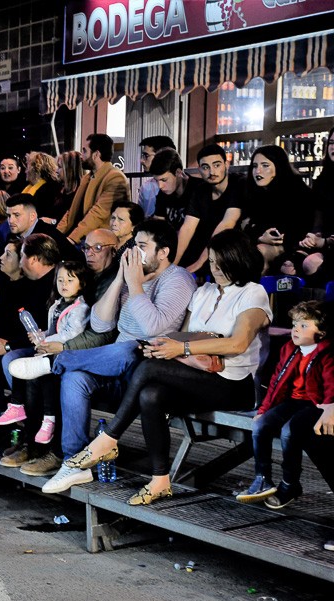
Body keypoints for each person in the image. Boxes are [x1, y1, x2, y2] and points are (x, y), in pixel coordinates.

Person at [66, 229, 270, 505]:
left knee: (148, 371)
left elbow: (238, 343)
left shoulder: (253, 293)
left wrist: (182, 349)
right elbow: (183, 335)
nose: (216, 268)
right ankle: (160, 479)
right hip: (197, 376)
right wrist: (162, 345)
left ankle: (108, 438)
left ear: (239, 259)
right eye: (211, 262)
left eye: (221, 261)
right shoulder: (205, 291)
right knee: (151, 393)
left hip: (235, 384)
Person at [10, 219, 197, 493]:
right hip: (116, 367)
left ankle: (52, 363)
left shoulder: (177, 279)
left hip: (150, 367)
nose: (136, 252)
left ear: (163, 252)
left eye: (143, 246)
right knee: (75, 379)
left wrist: (134, 285)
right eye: (135, 245)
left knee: (131, 346)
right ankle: (75, 464)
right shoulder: (132, 276)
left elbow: (152, 328)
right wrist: (122, 278)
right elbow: (101, 324)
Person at [236, 301, 334, 508]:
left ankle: (290, 483)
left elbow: (331, 385)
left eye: (304, 325)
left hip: (317, 405)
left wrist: (329, 407)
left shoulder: (327, 353)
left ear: (322, 333)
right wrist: (263, 410)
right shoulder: (289, 348)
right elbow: (276, 382)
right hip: (294, 401)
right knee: (260, 425)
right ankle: (262, 478)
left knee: (289, 431)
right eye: (295, 324)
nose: (296, 329)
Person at [0, 261, 90, 468]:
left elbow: (69, 335)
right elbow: (52, 330)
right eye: (60, 280)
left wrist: (47, 342)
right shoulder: (56, 304)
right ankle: (27, 428)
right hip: (48, 351)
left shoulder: (81, 308)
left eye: (70, 280)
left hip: (65, 357)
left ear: (81, 283)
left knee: (39, 376)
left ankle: (46, 437)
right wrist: (41, 336)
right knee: (26, 370)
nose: (64, 284)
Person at [243, 145, 317, 274]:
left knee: (258, 253)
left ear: (278, 166)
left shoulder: (298, 191)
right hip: (262, 245)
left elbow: (298, 231)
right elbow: (245, 228)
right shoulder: (252, 193)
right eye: (255, 166)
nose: (258, 171)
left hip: (293, 248)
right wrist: (260, 237)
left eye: (265, 165)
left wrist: (262, 237)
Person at [175, 143, 245, 274]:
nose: (212, 172)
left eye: (217, 165)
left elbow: (226, 224)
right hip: (207, 246)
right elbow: (187, 228)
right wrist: (172, 264)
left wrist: (198, 264)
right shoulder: (200, 190)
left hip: (234, 247)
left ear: (227, 164)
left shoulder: (239, 184)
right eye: (205, 167)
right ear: (199, 169)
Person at [57, 133, 129, 243]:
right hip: (82, 238)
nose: (81, 155)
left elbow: (97, 215)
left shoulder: (115, 177)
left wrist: (71, 240)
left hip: (100, 243)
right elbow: (71, 213)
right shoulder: (87, 177)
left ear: (96, 155)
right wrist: (55, 235)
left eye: (85, 151)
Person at [5, 193, 83, 262]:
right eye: (9, 216)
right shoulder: (10, 236)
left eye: (17, 215)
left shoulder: (50, 237)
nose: (10, 220)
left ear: (32, 216)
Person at [149, 148, 194, 232]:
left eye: (164, 180)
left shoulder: (199, 190)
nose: (160, 186)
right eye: (156, 180)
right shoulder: (163, 194)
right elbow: (157, 226)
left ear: (178, 173)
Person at [137, 136, 177, 217]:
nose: (141, 161)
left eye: (146, 156)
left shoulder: (181, 185)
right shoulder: (146, 187)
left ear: (161, 155)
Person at [21, 151, 62, 220]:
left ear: (36, 168)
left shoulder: (48, 192)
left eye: (27, 167)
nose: (25, 171)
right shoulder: (28, 188)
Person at [52, 151, 84, 223]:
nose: (56, 170)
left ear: (70, 169)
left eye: (60, 167)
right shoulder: (59, 188)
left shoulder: (80, 193)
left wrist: (53, 221)